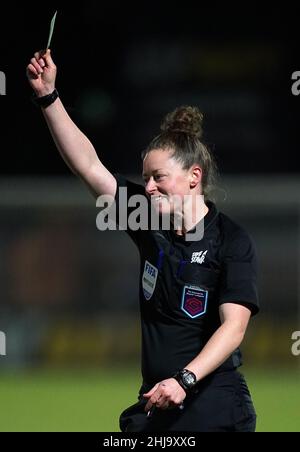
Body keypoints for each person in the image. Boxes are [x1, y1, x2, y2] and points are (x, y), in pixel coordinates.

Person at [27, 49, 259, 432]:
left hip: (214, 405)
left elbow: (233, 328)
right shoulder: (148, 220)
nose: (148, 187)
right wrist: (48, 97)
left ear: (193, 176)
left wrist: (185, 379)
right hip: (159, 402)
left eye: (158, 177)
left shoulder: (232, 241)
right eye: (145, 177)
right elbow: (89, 166)